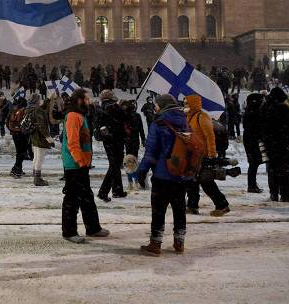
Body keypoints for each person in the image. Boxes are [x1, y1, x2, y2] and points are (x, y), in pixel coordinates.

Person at [136, 94, 193, 256]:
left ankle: (155, 243)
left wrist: (142, 171)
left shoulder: (159, 123)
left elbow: (150, 151)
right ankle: (179, 242)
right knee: (179, 208)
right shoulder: (184, 121)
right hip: (181, 173)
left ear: (162, 106)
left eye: (156, 105)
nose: (155, 107)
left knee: (159, 210)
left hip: (163, 174)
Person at [61, 88, 110, 243]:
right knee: (72, 198)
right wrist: (81, 161)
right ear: (80, 100)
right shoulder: (73, 116)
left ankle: (93, 228)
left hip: (81, 164)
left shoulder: (81, 115)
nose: (89, 101)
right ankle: (69, 232)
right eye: (87, 99)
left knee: (86, 196)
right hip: (75, 165)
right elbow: (72, 143)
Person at [184, 94, 230, 216]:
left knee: (206, 182)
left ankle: (222, 205)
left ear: (193, 104)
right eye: (184, 103)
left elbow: (210, 136)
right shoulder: (188, 117)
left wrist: (212, 153)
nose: (185, 105)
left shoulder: (202, 117)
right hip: (192, 155)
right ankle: (192, 206)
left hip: (203, 155)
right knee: (192, 182)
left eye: (187, 103)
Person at [260, 87, 289, 202]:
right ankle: (286, 194)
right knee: (284, 170)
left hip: (268, 142)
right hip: (282, 142)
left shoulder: (264, 108)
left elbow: (261, 125)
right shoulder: (283, 108)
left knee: (272, 168)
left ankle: (274, 193)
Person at [96, 90, 127, 202]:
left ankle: (117, 190)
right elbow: (121, 117)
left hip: (110, 140)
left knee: (116, 165)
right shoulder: (110, 107)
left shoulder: (105, 107)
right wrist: (122, 108)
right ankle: (103, 192)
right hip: (114, 140)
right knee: (114, 166)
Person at [27, 93, 53, 186]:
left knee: (36, 157)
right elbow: (41, 125)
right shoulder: (37, 110)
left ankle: (35, 176)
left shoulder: (29, 108)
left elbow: (42, 106)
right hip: (40, 136)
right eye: (39, 99)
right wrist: (48, 137)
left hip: (33, 136)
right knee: (39, 158)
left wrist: (48, 99)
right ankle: (37, 179)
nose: (40, 100)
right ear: (37, 100)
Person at [242, 93, 265, 193]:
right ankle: (251, 185)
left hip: (251, 139)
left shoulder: (251, 111)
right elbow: (254, 127)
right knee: (254, 163)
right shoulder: (253, 112)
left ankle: (252, 184)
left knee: (254, 163)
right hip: (252, 140)